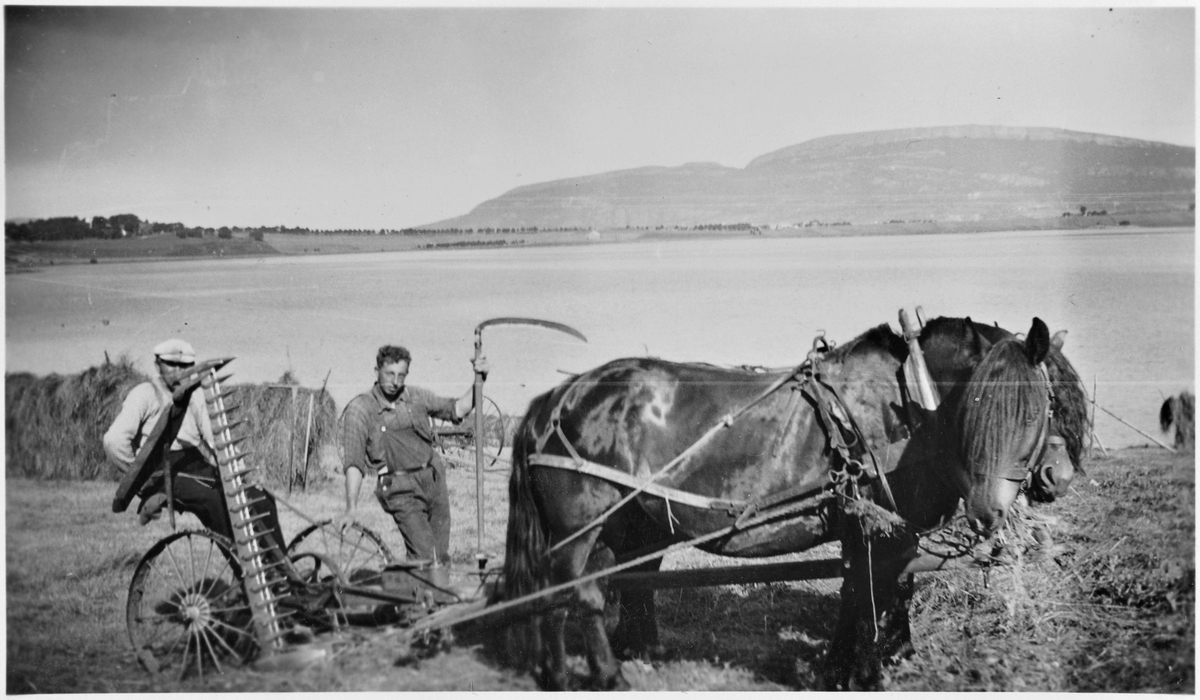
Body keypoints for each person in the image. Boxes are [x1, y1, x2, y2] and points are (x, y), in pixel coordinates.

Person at [103, 338, 286, 551]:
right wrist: (142, 480)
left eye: (185, 366)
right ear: (157, 365)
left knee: (260, 496)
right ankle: (244, 568)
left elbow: (217, 439)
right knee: (213, 499)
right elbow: (113, 441)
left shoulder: (196, 394)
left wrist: (243, 473)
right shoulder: (144, 393)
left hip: (193, 462)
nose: (179, 371)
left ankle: (283, 570)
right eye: (172, 364)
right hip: (161, 469)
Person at [340, 344, 487, 565]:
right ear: (376, 371)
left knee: (440, 554)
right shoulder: (360, 410)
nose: (395, 382)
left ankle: (431, 597)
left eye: (401, 375)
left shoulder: (416, 397)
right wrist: (351, 507)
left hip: (433, 480)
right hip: (399, 489)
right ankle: (416, 595)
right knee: (425, 555)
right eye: (389, 374)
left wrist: (479, 380)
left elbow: (458, 409)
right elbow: (353, 463)